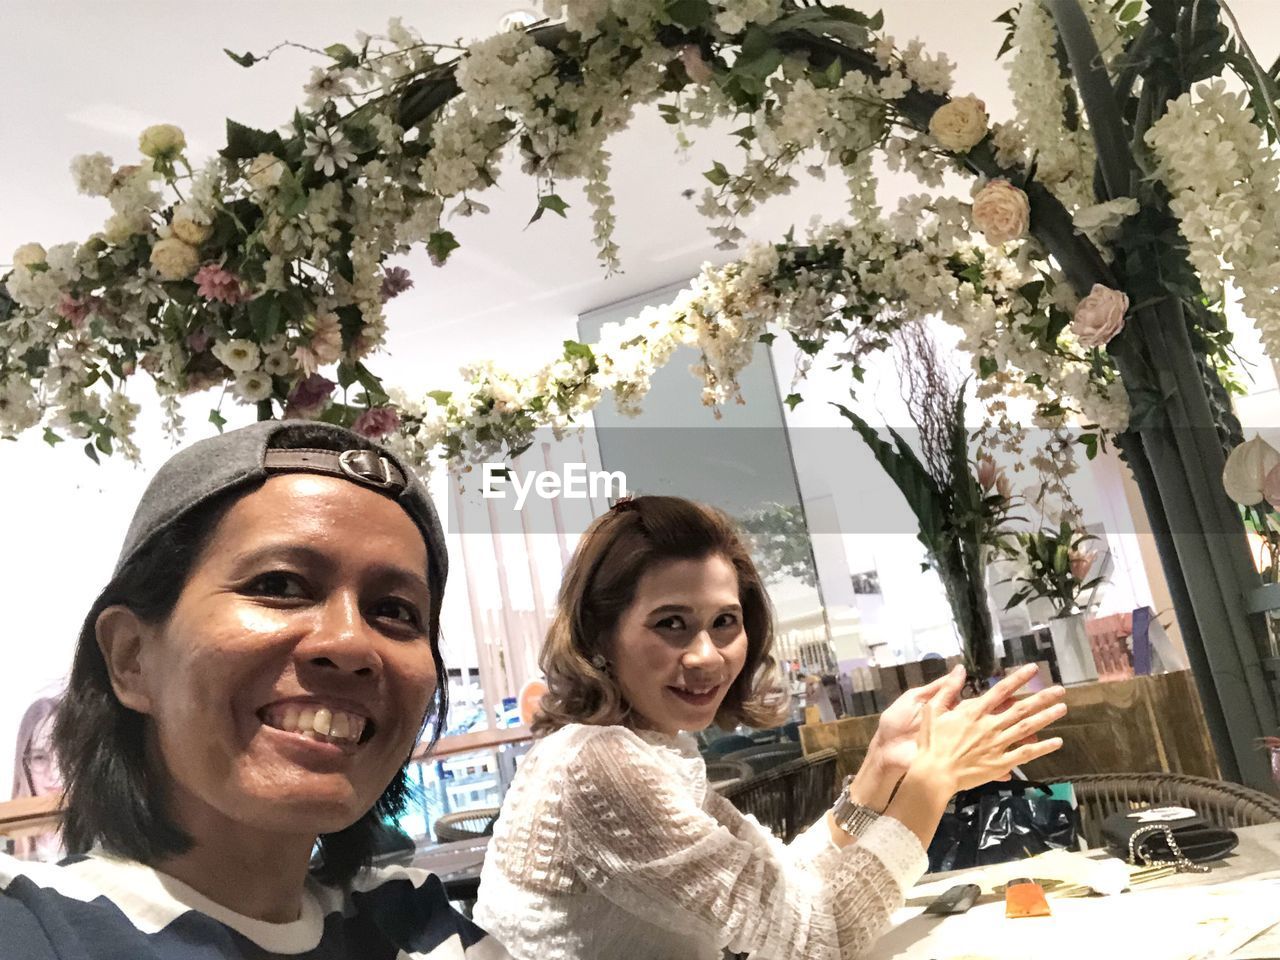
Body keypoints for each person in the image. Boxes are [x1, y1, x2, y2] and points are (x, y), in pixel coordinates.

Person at [475, 495, 1067, 960]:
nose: (707, 655)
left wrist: (882, 768)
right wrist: (929, 786)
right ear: (600, 636)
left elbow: (788, 885)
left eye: (724, 622)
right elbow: (820, 937)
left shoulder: (645, 751)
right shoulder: (596, 765)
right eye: (671, 623)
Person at [0, 421, 511, 959]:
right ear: (131, 658)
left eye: (394, 611)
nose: (351, 644)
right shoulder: (36, 931)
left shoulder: (415, 924)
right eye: (279, 585)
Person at [8, 697, 64, 861]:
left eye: (66, 756)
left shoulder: (104, 838)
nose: (54, 773)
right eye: (40, 758)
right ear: (25, 766)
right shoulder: (5, 847)